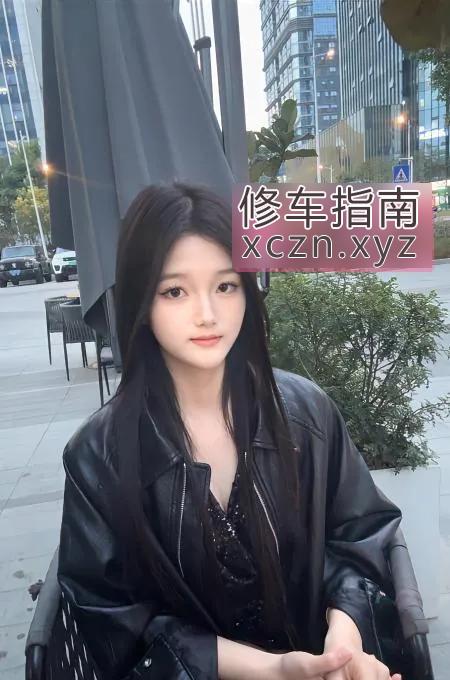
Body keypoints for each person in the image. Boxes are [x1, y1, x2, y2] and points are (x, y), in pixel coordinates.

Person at [58, 183, 403, 680]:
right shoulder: (98, 455)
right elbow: (114, 621)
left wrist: (343, 645)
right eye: (175, 291)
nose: (207, 314)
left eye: (225, 286)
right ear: (141, 301)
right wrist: (275, 669)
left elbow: (362, 535)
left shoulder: (305, 414)